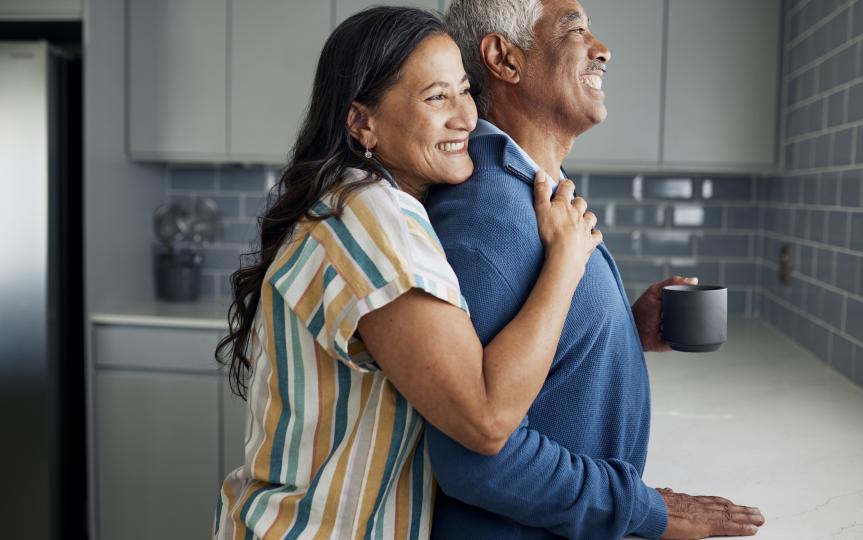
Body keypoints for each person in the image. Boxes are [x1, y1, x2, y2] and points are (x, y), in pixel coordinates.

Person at [212, 7, 602, 539]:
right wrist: (566, 262)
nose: (466, 116)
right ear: (361, 122)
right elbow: (485, 420)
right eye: (436, 97)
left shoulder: (367, 204)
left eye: (465, 90)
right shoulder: (372, 219)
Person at [423, 0, 767, 538]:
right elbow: (478, 460)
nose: (602, 50)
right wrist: (645, 509)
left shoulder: (530, 193)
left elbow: (533, 365)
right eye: (575, 29)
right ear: (505, 60)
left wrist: (622, 329)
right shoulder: (489, 215)